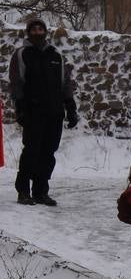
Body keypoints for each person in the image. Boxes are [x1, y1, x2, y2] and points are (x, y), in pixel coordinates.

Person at [8, 17, 78, 206]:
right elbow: (16, 83)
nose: (37, 32)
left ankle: (41, 191)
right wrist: (20, 108)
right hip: (32, 111)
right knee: (31, 151)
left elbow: (65, 83)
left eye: (40, 29)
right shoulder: (22, 54)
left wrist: (70, 108)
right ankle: (23, 191)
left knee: (48, 153)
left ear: (45, 32)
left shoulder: (55, 55)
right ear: (29, 32)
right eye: (34, 29)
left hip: (54, 112)